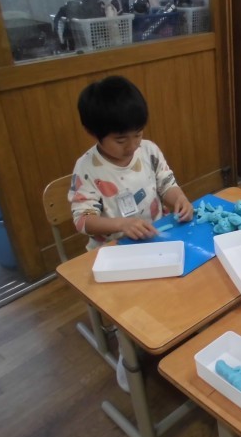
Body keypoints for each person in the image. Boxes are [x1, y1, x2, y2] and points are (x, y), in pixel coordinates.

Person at [69, 75, 193, 392]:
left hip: (157, 239)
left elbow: (166, 184)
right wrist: (121, 225)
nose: (133, 145)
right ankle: (129, 356)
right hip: (113, 254)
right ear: (93, 133)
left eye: (138, 134)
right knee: (131, 310)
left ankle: (173, 330)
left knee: (182, 287)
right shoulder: (88, 168)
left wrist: (179, 198)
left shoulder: (148, 151)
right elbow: (83, 220)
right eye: (121, 140)